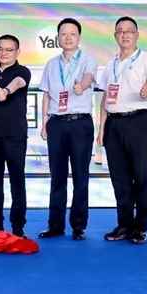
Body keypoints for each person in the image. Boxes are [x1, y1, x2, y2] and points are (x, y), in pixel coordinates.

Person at [99, 16, 147, 245]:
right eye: (120, 31)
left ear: (137, 35)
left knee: (141, 176)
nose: (125, 35)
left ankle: (141, 227)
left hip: (139, 122)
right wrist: (102, 128)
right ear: (115, 36)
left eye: (129, 31)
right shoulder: (111, 63)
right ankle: (124, 224)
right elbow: (106, 96)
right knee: (120, 178)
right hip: (114, 124)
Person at [39, 18, 97, 240]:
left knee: (81, 176)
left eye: (72, 34)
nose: (68, 38)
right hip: (56, 123)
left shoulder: (88, 60)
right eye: (64, 34)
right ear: (58, 38)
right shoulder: (51, 64)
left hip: (80, 122)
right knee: (57, 176)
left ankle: (78, 226)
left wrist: (81, 86)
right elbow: (46, 95)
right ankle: (55, 225)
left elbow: (88, 77)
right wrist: (44, 122)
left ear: (79, 37)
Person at [0, 34, 32, 237]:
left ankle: (18, 228)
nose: (4, 53)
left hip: (14, 136)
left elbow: (19, 82)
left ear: (17, 52)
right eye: (0, 49)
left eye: (9, 50)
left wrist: (6, 91)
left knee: (17, 181)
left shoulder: (22, 71)